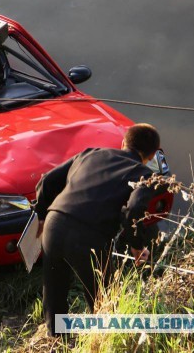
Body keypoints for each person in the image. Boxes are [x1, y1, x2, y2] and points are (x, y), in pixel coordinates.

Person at [34, 123, 161, 337]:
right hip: (87, 236)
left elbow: (46, 180)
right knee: (104, 301)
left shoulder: (90, 153)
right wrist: (137, 246)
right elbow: (134, 210)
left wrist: (40, 215)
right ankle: (102, 342)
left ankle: (56, 340)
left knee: (54, 292)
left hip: (54, 223)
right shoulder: (144, 174)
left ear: (123, 143)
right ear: (152, 155)